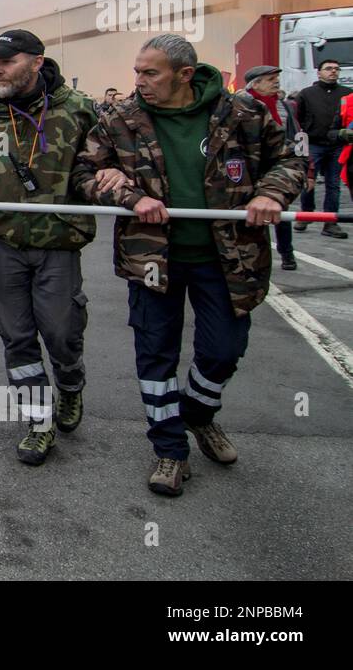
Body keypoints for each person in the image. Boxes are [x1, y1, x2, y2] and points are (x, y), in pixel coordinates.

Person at [76, 34, 303, 497]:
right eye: (137, 71)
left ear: (184, 74)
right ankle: (169, 448)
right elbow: (84, 174)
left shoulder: (243, 113)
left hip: (229, 257)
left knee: (223, 350)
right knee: (155, 354)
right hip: (152, 258)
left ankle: (198, 413)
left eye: (149, 73)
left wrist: (269, 193)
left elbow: (291, 162)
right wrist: (125, 192)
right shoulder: (121, 119)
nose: (138, 81)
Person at [0, 29, 97, 465]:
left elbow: (98, 164)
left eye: (8, 61)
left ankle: (70, 386)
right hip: (4, 239)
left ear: (36, 61)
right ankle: (38, 420)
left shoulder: (78, 109)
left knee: (62, 330)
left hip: (59, 239)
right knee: (16, 334)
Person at [244, 65, 302, 270]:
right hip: (250, 171)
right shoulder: (241, 106)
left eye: (276, 78)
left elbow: (299, 136)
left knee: (279, 208)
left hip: (280, 167)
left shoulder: (285, 106)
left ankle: (287, 254)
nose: (276, 82)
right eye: (270, 79)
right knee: (251, 216)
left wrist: (307, 167)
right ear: (255, 83)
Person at [294, 59, 351, 238]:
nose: (333, 72)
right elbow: (298, 117)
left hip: (337, 146)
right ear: (319, 73)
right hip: (313, 144)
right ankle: (306, 214)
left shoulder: (347, 94)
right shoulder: (307, 93)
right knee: (307, 181)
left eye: (336, 69)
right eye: (328, 69)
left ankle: (330, 222)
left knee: (333, 185)